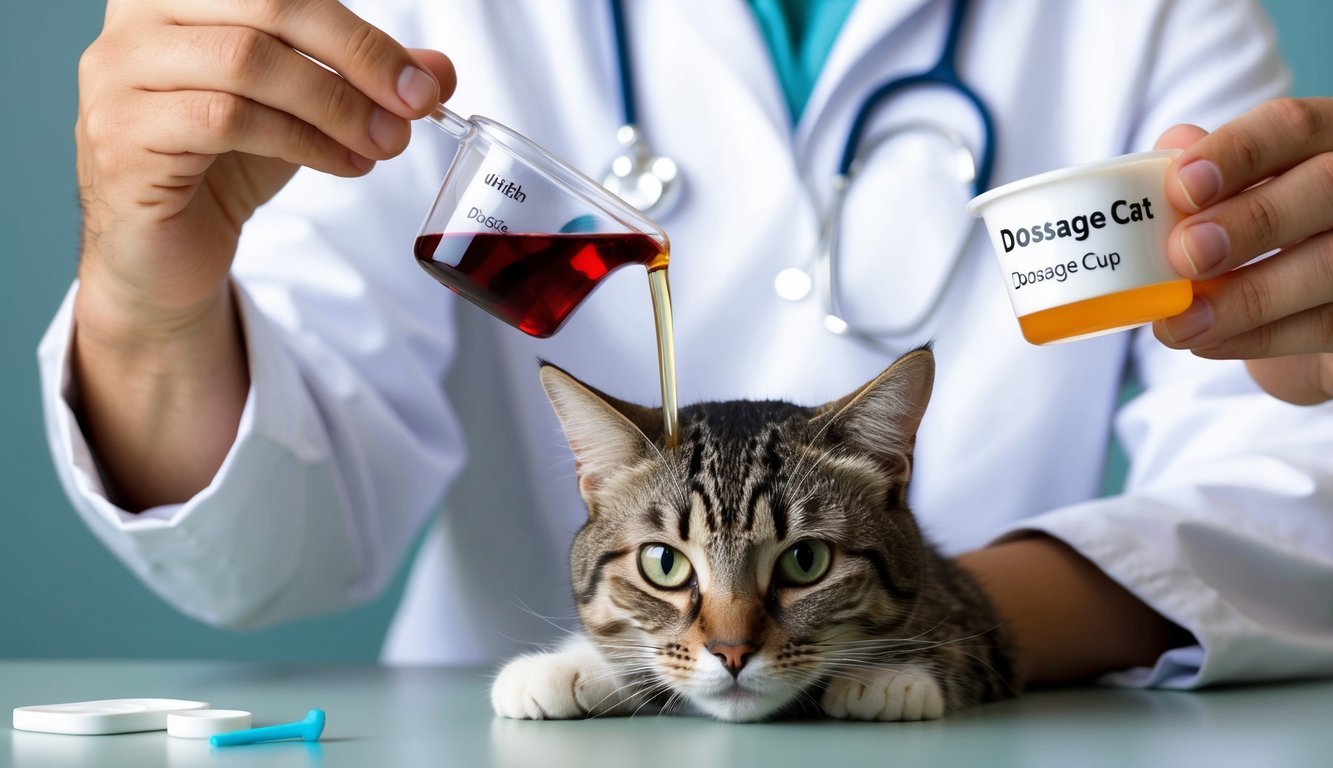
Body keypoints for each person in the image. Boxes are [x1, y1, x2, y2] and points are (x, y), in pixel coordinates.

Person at [41, 0, 1333, 689]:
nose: (728, 632)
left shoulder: (1149, 16)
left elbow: (1283, 487)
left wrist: (917, 647)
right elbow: (262, 560)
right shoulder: (394, 22)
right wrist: (150, 289)